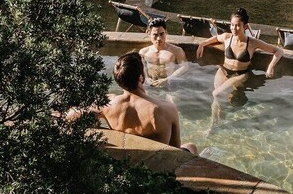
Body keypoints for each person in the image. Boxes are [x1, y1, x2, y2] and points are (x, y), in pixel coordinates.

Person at [68, 52, 197, 154]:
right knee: (191, 147)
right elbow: (176, 152)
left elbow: (71, 115)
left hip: (128, 160)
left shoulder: (108, 104)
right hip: (156, 168)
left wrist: (94, 121)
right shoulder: (166, 109)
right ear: (141, 77)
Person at [196, 8, 283, 98]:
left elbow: (279, 51)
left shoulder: (253, 43)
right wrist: (202, 44)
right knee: (215, 96)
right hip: (223, 70)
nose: (234, 28)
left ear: (245, 26)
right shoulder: (226, 37)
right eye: (232, 25)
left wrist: (270, 67)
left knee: (216, 93)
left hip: (240, 74)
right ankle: (216, 110)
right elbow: (216, 38)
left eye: (237, 25)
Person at [139, 17, 188, 87]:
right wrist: (146, 78)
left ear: (166, 32)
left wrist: (167, 79)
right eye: (155, 35)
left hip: (170, 85)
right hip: (150, 84)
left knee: (173, 98)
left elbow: (185, 67)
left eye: (162, 34)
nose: (159, 38)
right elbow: (141, 68)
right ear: (148, 33)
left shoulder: (176, 51)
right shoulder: (143, 52)